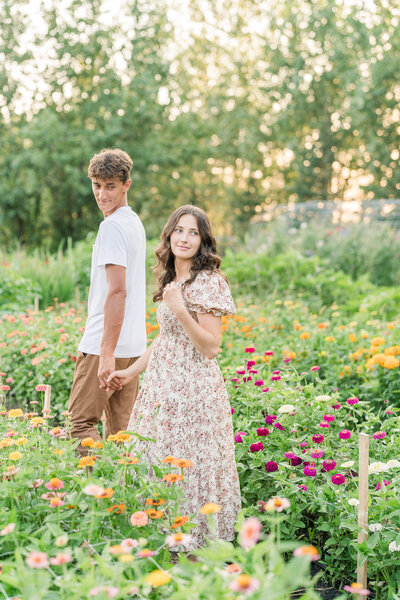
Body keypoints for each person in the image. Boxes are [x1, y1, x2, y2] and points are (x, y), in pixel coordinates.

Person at [107, 205, 241, 549]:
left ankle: (197, 552)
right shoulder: (172, 280)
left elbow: (210, 347)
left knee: (191, 465)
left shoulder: (209, 282)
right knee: (159, 458)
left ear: (203, 241)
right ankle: (165, 543)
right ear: (169, 235)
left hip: (195, 388)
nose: (185, 238)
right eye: (179, 230)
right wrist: (131, 370)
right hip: (163, 387)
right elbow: (167, 338)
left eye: (194, 232)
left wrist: (181, 309)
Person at [68, 148, 146, 455]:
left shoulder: (112, 226)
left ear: (127, 184)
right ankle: (124, 499)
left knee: (81, 426)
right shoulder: (133, 222)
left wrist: (106, 352)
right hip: (132, 345)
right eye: (96, 185)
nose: (102, 194)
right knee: (121, 435)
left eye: (110, 186)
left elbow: (117, 291)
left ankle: (94, 497)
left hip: (106, 344)